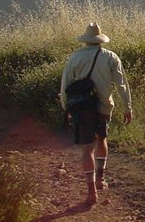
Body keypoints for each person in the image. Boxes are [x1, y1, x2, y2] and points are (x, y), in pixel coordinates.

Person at [60, 22, 133, 206]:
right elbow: (121, 84)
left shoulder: (75, 58)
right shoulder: (111, 57)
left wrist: (66, 107)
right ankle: (101, 178)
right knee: (101, 139)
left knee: (86, 149)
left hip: (82, 108)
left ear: (86, 40)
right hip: (104, 107)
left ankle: (91, 191)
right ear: (100, 39)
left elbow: (65, 85)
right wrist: (127, 107)